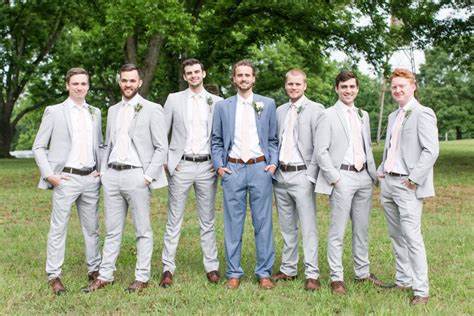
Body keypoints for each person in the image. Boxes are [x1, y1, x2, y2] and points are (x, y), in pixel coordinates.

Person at [83, 63, 168, 293]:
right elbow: (107, 144)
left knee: (142, 229)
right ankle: (105, 275)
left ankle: (142, 277)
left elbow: (162, 147)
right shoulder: (112, 110)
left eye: (132, 80)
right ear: (119, 81)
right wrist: (103, 172)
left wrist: (148, 177)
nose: (128, 84)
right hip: (111, 176)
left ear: (139, 82)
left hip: (137, 176)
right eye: (124, 80)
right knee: (112, 230)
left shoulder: (152, 109)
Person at [33, 67, 102, 295]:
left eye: (83, 84)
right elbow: (39, 146)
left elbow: (99, 145)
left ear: (88, 86)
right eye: (75, 84)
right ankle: (54, 275)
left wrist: (100, 170)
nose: (79, 87)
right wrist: (50, 174)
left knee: (92, 229)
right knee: (58, 228)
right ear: (67, 85)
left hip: (90, 178)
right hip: (66, 179)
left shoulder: (95, 112)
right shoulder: (54, 111)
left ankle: (94, 269)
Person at [315, 70, 385, 294]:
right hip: (341, 177)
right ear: (337, 89)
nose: (348, 91)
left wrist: (372, 175)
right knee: (338, 230)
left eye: (352, 87)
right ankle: (336, 278)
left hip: (364, 177)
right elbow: (320, 151)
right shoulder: (328, 115)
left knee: (362, 229)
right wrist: (334, 178)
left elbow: (366, 147)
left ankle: (362, 272)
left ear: (357, 89)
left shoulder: (363, 115)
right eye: (344, 87)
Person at [211, 59, 278, 289]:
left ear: (253, 78)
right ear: (234, 79)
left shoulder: (267, 104)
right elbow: (217, 140)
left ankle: (264, 272)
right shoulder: (222, 106)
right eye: (239, 75)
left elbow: (273, 139)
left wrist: (273, 164)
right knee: (233, 223)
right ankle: (233, 272)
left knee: (263, 223)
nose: (243, 79)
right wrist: (220, 166)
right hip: (234, 168)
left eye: (247, 75)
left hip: (260, 168)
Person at [378, 68, 439, 306]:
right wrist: (382, 170)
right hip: (389, 183)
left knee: (412, 236)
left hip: (408, 184)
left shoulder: (423, 113)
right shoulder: (394, 116)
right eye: (394, 86)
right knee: (395, 234)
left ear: (413, 86)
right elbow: (391, 147)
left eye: (402, 85)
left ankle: (421, 289)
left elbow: (431, 150)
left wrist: (414, 179)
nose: (397, 90)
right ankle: (403, 279)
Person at [159, 59, 222, 287]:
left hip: (207, 166)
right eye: (189, 73)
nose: (194, 75)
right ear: (185, 77)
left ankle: (212, 266)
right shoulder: (174, 100)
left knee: (207, 219)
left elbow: (220, 136)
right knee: (174, 218)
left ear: (203, 73)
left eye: (197, 71)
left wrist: (218, 162)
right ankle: (168, 267)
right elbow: (162, 133)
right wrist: (167, 161)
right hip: (181, 165)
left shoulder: (217, 102)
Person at [272, 69, 324, 291]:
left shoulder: (316, 110)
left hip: (303, 174)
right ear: (286, 86)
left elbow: (320, 147)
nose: (293, 87)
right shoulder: (279, 111)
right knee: (287, 226)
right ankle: (288, 269)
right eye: (290, 84)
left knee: (308, 226)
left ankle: (312, 273)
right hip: (280, 175)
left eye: (297, 84)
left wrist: (310, 176)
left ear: (305, 85)